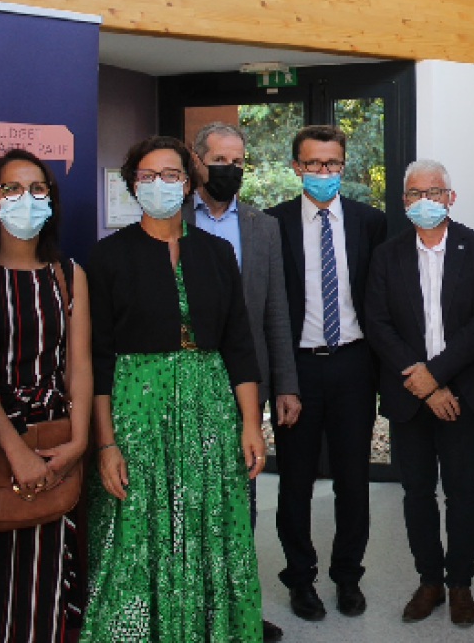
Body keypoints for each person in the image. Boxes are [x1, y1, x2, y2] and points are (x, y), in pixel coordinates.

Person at [84, 136, 267, 642]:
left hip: (210, 409)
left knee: (211, 523)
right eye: (147, 176)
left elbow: (239, 344)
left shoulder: (216, 252)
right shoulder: (106, 258)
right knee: (138, 529)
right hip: (135, 411)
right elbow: (97, 359)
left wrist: (251, 423)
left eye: (171, 175)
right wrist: (105, 443)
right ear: (131, 185)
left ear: (188, 185)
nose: (160, 184)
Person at [0, 149, 92, 642]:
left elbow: (77, 365)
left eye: (37, 190)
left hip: (57, 436)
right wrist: (15, 451)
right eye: (11, 189)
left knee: (49, 575)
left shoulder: (67, 274)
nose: (25, 200)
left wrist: (79, 440)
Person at [366, 159, 474, 627]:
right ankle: (429, 581)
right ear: (403, 201)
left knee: (464, 493)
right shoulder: (386, 255)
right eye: (415, 193)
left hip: (460, 394)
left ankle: (461, 583)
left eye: (434, 192)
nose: (425, 201)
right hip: (409, 397)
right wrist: (420, 381)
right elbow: (377, 322)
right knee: (417, 493)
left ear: (451, 196)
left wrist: (438, 376)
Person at [265, 125, 388, 622]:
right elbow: (271, 307)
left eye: (331, 163)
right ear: (296, 167)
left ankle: (347, 576)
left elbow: (379, 301)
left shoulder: (370, 223)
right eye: (312, 164)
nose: (322, 173)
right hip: (297, 367)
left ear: (344, 166)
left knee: (353, 481)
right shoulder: (271, 224)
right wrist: (280, 381)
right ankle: (300, 579)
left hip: (354, 365)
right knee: (293, 482)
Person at [185, 121, 297, 642]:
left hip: (243, 386)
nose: (231, 169)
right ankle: (193, 608)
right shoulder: (171, 220)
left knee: (241, 500)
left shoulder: (262, 227)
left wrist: (285, 385)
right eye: (221, 159)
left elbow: (276, 313)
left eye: (239, 161)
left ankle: (239, 609)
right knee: (188, 496)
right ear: (196, 160)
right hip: (181, 381)